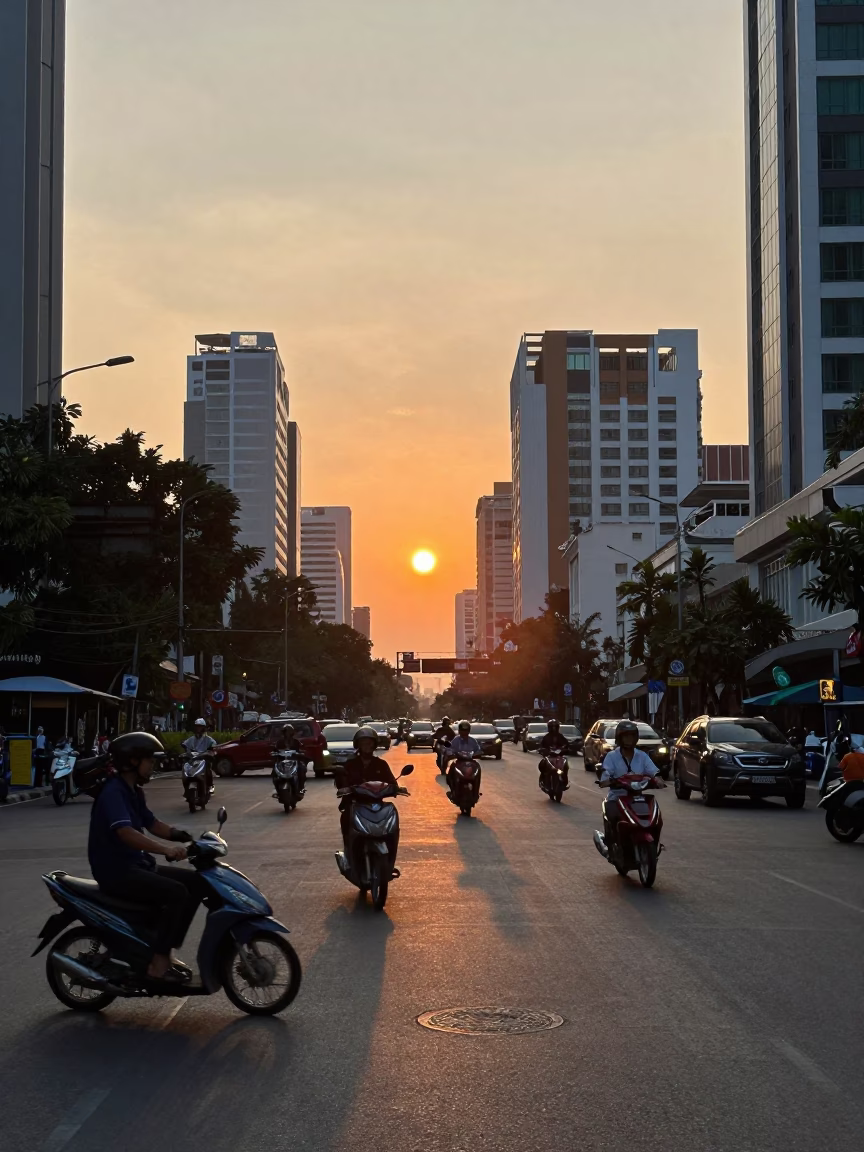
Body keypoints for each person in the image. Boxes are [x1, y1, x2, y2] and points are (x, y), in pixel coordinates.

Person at [88, 731, 204, 982]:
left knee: (196, 882)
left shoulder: (133, 791)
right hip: (117, 871)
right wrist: (165, 850)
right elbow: (126, 833)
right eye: (150, 761)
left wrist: (182, 836)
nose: (154, 766)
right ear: (132, 762)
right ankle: (159, 961)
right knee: (177, 893)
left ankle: (162, 947)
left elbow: (151, 823)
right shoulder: (114, 792)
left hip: (135, 866)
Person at [336, 727, 401, 870]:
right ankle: (350, 856)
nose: (367, 745)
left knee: (393, 821)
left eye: (369, 742)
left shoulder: (381, 764)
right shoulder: (350, 764)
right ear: (358, 745)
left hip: (377, 805)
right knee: (346, 819)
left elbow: (392, 782)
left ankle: (390, 861)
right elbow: (341, 782)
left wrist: (396, 788)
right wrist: (345, 788)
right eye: (363, 742)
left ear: (374, 744)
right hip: (355, 804)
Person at [599, 720, 665, 849]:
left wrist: (658, 780)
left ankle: (654, 846)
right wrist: (608, 780)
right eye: (626, 736)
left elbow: (653, 772)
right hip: (617, 797)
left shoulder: (642, 756)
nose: (629, 739)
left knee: (656, 818)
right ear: (620, 738)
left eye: (632, 736)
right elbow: (605, 775)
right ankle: (613, 846)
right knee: (612, 815)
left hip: (637, 798)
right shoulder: (611, 756)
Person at [444, 721, 482, 797]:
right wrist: (450, 753)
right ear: (459, 731)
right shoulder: (456, 740)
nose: (464, 732)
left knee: (478, 768)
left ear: (469, 731)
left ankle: (476, 792)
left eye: (466, 730)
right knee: (451, 769)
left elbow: (478, 749)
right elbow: (450, 749)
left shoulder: (473, 741)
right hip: (459, 761)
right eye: (462, 730)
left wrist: (479, 753)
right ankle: (453, 791)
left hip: (470, 761)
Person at [182, 718, 217, 793]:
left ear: (204, 728)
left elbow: (213, 745)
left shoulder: (208, 739)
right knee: (185, 768)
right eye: (197, 726)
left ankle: (210, 785)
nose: (198, 728)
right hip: (194, 759)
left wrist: (210, 752)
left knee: (208, 768)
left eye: (200, 726)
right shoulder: (191, 739)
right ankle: (186, 789)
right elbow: (185, 745)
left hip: (204, 758)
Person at [274, 723, 306, 794]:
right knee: (274, 773)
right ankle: (277, 790)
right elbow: (275, 750)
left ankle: (301, 787)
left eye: (289, 732)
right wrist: (274, 753)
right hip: (282, 762)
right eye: (286, 732)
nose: (287, 734)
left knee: (302, 769)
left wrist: (301, 753)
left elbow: (301, 749)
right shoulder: (279, 742)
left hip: (294, 762)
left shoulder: (296, 742)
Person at [538, 718, 568, 790]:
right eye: (551, 727)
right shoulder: (546, 737)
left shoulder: (561, 737)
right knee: (542, 765)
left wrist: (565, 749)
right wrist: (542, 750)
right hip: (549, 757)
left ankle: (564, 781)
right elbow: (541, 746)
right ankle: (543, 780)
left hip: (559, 757)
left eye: (555, 727)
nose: (553, 729)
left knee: (566, 765)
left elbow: (566, 744)